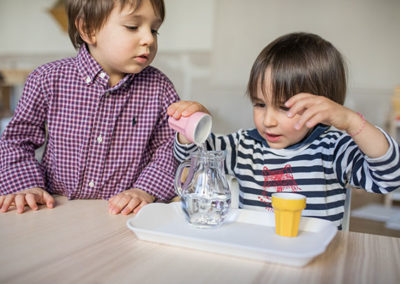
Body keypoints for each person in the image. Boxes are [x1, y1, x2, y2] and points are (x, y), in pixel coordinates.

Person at [167, 32, 400, 229]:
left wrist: (351, 121)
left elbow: (390, 177)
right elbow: (193, 158)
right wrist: (190, 126)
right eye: (259, 104)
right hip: (258, 254)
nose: (268, 120)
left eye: (284, 108)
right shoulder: (245, 146)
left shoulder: (334, 149)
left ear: (323, 107)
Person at [0, 0, 179, 215]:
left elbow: (170, 150)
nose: (149, 39)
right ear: (88, 29)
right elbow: (17, 141)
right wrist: (26, 186)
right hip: (54, 209)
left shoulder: (160, 88)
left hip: (122, 216)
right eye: (132, 26)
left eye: (154, 30)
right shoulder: (47, 79)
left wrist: (145, 190)